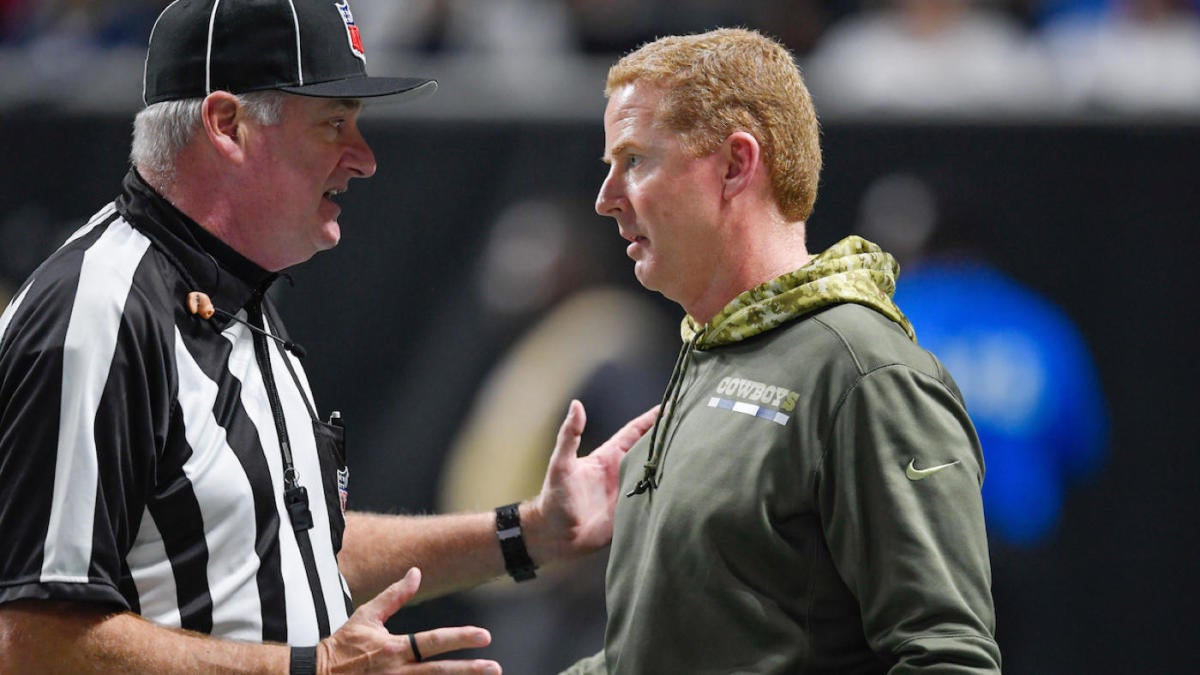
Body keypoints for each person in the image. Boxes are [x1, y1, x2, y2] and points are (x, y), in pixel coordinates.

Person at [0, 2, 656, 674]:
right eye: (332, 124)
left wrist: (529, 533)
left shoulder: (237, 294)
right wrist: (311, 668)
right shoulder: (97, 313)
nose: (364, 159)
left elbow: (283, 546)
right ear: (228, 126)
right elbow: (32, 641)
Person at [566, 28, 1002, 673]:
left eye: (634, 160)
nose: (606, 199)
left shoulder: (864, 372)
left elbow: (946, 658)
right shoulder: (712, 354)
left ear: (737, 165)